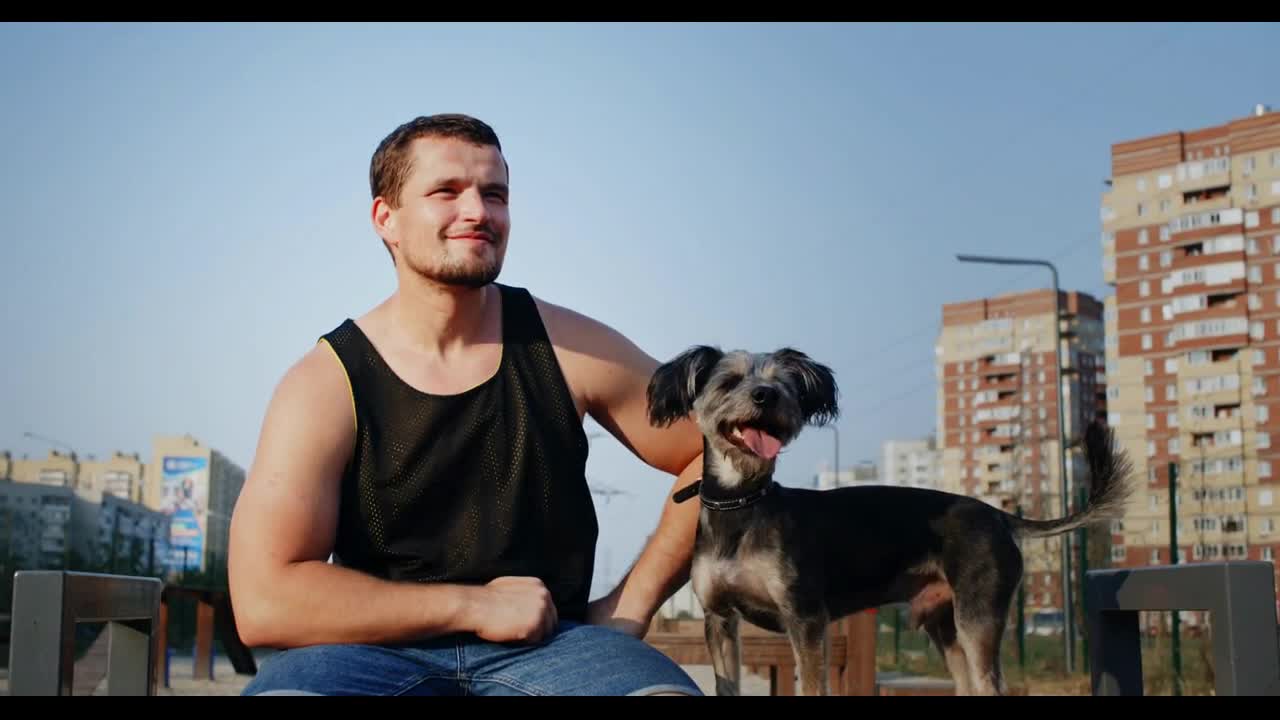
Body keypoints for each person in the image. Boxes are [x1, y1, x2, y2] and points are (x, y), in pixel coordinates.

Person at [228, 113, 707, 696]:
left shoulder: (571, 348)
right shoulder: (323, 384)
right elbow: (262, 601)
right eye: (446, 192)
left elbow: (720, 454)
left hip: (556, 648)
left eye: (494, 193)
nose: (479, 211)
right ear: (387, 219)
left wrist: (632, 603)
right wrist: (472, 605)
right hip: (361, 653)